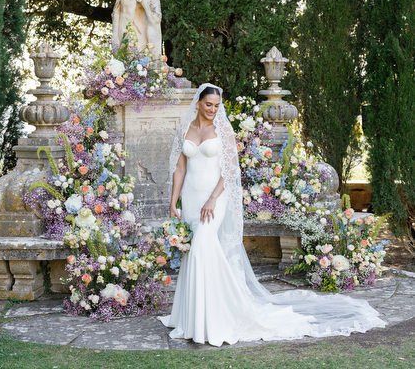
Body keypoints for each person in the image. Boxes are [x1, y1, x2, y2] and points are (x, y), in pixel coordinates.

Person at [157, 83, 387, 347]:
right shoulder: (185, 128)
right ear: (198, 103)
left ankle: (214, 320)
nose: (212, 110)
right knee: (195, 253)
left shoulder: (222, 130)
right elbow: (179, 168)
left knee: (201, 248)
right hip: (191, 197)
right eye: (208, 104)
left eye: (217, 106)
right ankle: (190, 318)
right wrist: (174, 201)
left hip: (214, 199)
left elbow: (231, 170)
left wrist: (212, 199)